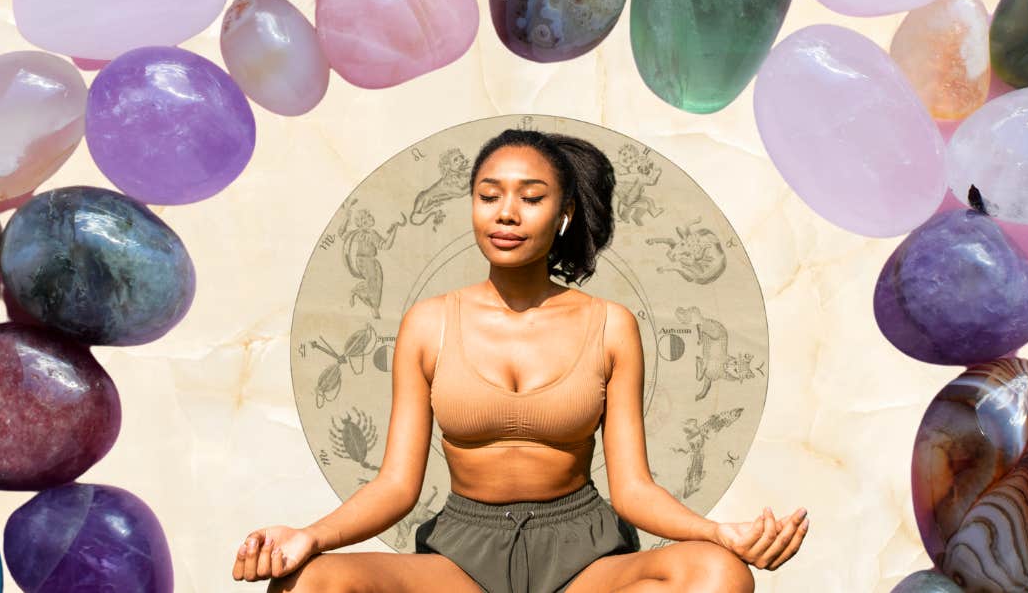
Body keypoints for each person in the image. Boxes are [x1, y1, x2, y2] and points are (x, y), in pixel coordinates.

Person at [232, 129, 809, 592]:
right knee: (310, 584)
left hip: (585, 560)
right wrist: (311, 536)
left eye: (530, 198)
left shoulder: (611, 325)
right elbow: (396, 485)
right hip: (462, 559)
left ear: (563, 215)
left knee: (719, 575)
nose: (506, 213)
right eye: (489, 196)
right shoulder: (428, 323)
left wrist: (719, 533)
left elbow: (632, 488)